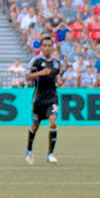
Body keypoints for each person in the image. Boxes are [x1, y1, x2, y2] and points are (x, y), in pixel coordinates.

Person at [24, 36, 63, 165]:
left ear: (52, 47)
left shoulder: (56, 63)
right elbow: (27, 77)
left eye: (49, 45)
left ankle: (50, 154)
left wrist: (59, 81)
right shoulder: (36, 61)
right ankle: (29, 148)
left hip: (52, 97)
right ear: (41, 47)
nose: (47, 48)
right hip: (39, 98)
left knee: (53, 121)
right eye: (44, 45)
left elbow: (57, 77)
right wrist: (40, 73)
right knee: (35, 125)